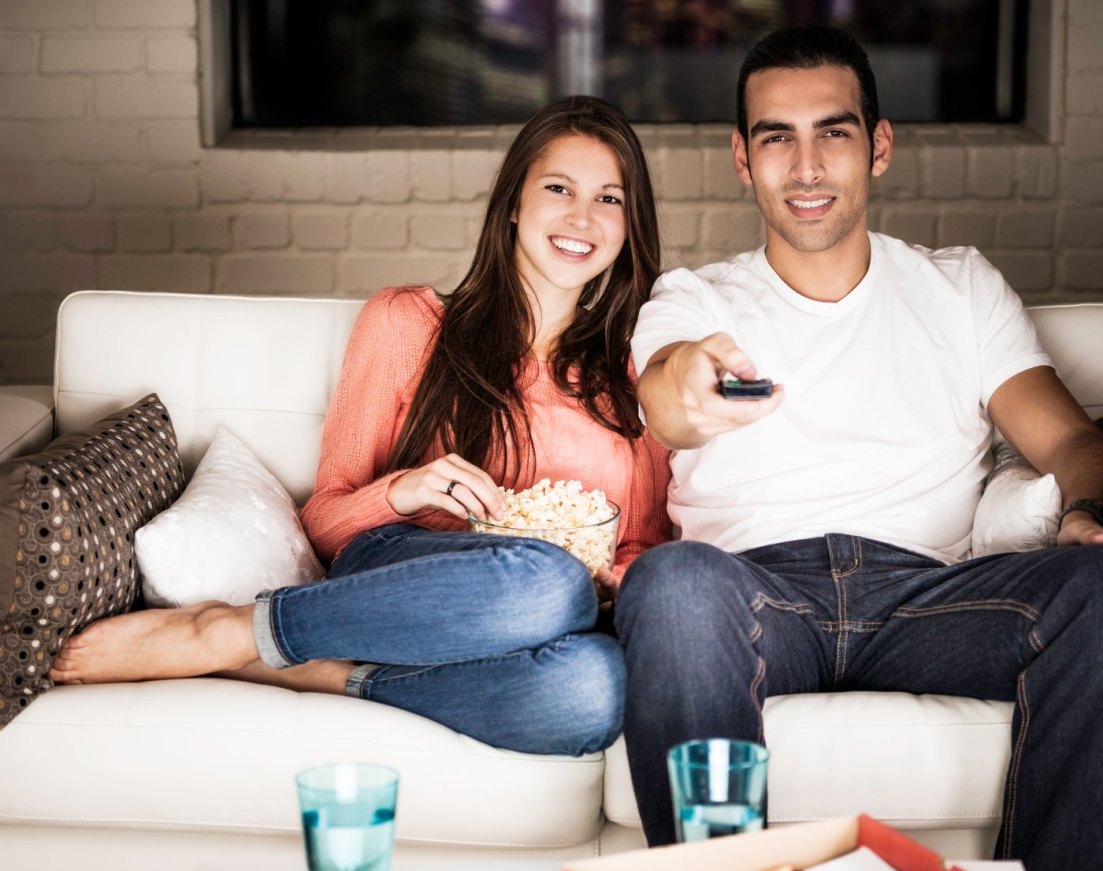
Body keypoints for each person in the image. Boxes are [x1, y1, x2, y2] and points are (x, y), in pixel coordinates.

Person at [617, 25, 1103, 871]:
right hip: (754, 596)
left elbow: (1069, 442)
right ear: (741, 156)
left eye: (832, 132)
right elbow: (663, 396)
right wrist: (686, 388)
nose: (805, 166)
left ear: (877, 146)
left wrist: (1080, 516)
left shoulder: (958, 288)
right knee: (672, 586)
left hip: (934, 598)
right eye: (776, 137)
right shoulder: (694, 297)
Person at [50, 95, 673, 758]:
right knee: (547, 581)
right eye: (558, 188)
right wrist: (403, 491)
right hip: (402, 568)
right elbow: (324, 524)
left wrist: (618, 577)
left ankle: (331, 673)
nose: (583, 216)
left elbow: (642, 548)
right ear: (513, 202)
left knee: (595, 688)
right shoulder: (409, 324)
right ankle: (228, 631)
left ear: (630, 225)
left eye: (609, 199)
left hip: (547, 615)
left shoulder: (643, 369)